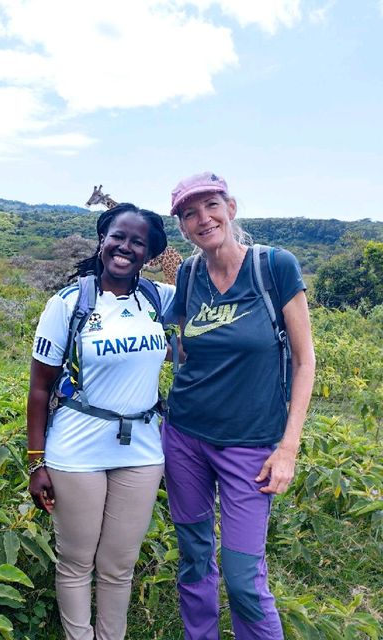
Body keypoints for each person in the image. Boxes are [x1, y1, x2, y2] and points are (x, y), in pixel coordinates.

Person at [163, 172, 316, 639]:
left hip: (250, 446)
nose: (202, 219)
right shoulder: (188, 274)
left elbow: (305, 360)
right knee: (193, 555)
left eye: (210, 206)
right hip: (185, 436)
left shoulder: (274, 268)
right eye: (189, 213)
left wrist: (287, 448)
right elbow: (184, 349)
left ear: (230, 207)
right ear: (184, 228)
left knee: (244, 577)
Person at [27, 203, 175, 640]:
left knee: (118, 565)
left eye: (138, 242)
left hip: (144, 452)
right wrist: (37, 463)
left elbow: (214, 296)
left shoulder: (157, 298)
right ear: (102, 238)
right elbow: (39, 389)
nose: (125, 247)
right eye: (118, 236)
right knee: (76, 561)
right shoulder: (69, 303)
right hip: (77, 451)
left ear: (149, 254)